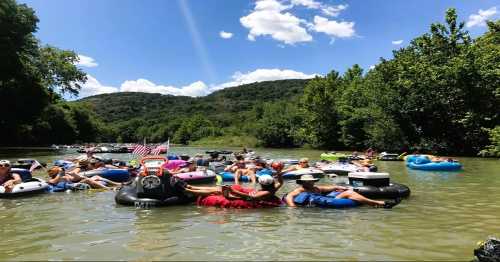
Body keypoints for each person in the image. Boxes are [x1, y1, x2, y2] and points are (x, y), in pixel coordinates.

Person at [285, 174, 401, 208]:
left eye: (312, 180)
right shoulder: (299, 190)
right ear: (303, 182)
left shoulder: (316, 188)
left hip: (326, 200)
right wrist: (293, 208)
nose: (311, 182)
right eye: (309, 181)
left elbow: (330, 188)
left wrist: (340, 188)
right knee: (350, 194)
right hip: (320, 203)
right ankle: (381, 203)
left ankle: (379, 203)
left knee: (348, 192)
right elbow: (289, 196)